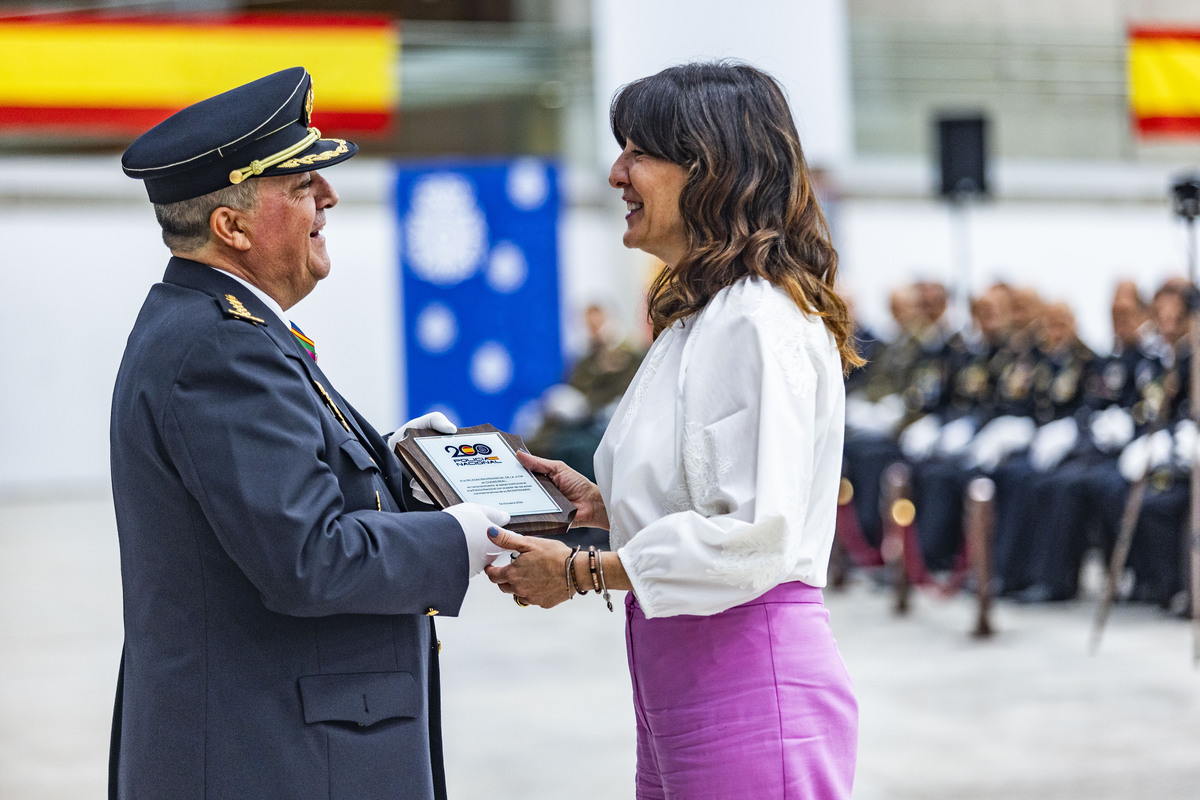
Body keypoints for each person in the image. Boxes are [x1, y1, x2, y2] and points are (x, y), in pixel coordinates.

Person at [108, 67, 510, 799]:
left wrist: (393, 464)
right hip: (273, 759)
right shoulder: (222, 345)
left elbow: (277, 493)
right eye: (300, 186)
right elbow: (307, 557)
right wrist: (461, 537)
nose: (328, 196)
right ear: (230, 226)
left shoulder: (231, 326)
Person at [486, 62, 861, 799]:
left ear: (711, 169)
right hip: (684, 671)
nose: (617, 173)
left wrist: (579, 571)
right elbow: (708, 491)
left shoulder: (755, 318)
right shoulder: (703, 318)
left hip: (749, 673)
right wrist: (602, 506)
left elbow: (753, 533)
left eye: (640, 152)